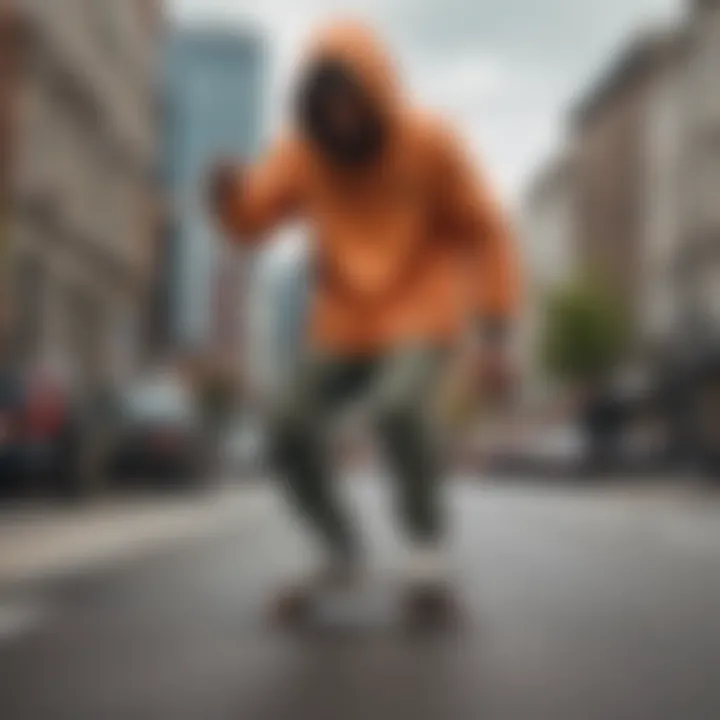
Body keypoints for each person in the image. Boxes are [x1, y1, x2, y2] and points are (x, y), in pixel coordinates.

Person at [207, 20, 520, 621]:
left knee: (399, 406)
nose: (341, 122)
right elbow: (251, 224)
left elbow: (489, 233)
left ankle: (427, 543)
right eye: (327, 111)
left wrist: (496, 333)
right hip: (341, 323)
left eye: (352, 107)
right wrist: (226, 196)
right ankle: (336, 549)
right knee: (284, 423)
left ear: (377, 97)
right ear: (311, 110)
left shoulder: (431, 143)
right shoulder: (301, 154)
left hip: (422, 310)